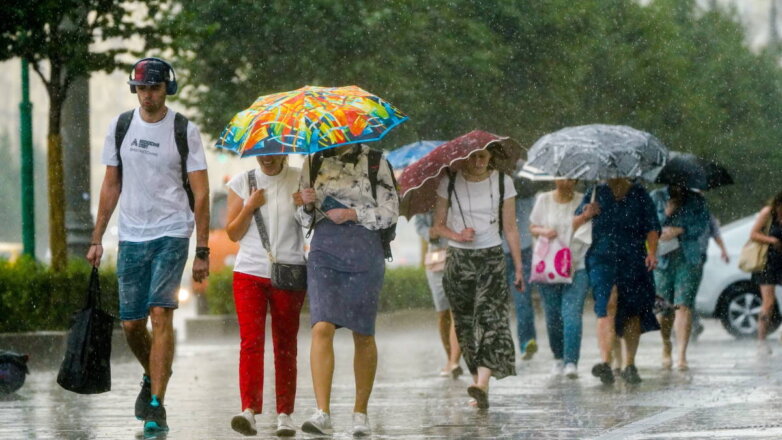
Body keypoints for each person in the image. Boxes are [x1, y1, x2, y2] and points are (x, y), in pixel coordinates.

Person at [86, 57, 210, 434]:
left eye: (154, 88)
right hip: (132, 235)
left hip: (172, 232)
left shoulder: (183, 130)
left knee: (161, 312)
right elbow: (111, 184)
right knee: (131, 323)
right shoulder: (121, 126)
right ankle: (153, 372)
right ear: (135, 89)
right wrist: (97, 237)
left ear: (166, 89)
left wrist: (202, 250)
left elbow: (202, 193)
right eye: (142, 88)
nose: (148, 95)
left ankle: (157, 403)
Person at [296, 143, 399, 436]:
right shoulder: (313, 162)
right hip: (324, 250)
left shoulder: (376, 161)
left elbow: (391, 212)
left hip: (365, 250)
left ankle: (360, 414)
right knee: (321, 326)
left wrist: (352, 214)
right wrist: (305, 205)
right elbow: (304, 220)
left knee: (363, 333)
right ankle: (322, 413)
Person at [432, 146, 523, 409]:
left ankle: (482, 382)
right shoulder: (449, 181)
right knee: (465, 323)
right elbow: (437, 226)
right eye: (473, 155)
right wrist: (457, 235)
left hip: (491, 257)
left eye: (483, 155)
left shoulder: (504, 182)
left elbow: (510, 227)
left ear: (492, 156)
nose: (478, 160)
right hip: (459, 261)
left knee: (490, 317)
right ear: (464, 157)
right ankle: (477, 383)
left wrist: (518, 267)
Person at [224, 155, 306, 436]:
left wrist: (306, 204)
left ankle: (285, 414)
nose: (266, 158)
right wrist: (249, 207)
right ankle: (248, 410)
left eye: (272, 150)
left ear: (284, 151)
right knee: (251, 342)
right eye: (261, 151)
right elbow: (232, 233)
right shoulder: (242, 182)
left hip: (290, 270)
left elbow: (312, 225)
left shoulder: (300, 177)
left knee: (286, 344)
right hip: (249, 272)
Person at [574, 179, 660, 385]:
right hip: (601, 257)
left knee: (632, 310)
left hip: (634, 258)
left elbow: (652, 227)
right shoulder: (595, 191)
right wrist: (587, 214)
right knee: (606, 305)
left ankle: (629, 364)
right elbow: (573, 223)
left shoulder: (639, 193)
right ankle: (606, 362)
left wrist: (652, 253)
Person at [529, 179, 591, 378]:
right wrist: (544, 231)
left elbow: (588, 231)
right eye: (563, 177)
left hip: (577, 264)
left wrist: (586, 217)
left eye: (572, 178)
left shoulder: (584, 201)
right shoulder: (544, 199)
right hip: (549, 266)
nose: (568, 182)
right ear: (555, 178)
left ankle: (571, 361)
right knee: (553, 315)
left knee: (571, 313)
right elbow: (533, 227)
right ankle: (558, 357)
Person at [651, 185, 710, 371]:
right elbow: (648, 223)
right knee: (664, 310)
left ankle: (682, 355)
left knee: (683, 305)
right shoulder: (657, 196)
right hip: (662, 261)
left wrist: (681, 229)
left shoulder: (697, 200)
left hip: (688, 259)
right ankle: (666, 344)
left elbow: (701, 225)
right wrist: (666, 213)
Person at [414, 211, 462, 377]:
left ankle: (455, 361)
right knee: (443, 313)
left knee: (457, 310)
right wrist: (430, 232)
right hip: (436, 258)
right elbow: (419, 225)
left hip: (458, 254)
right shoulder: (424, 199)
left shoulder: (456, 193)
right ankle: (450, 358)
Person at [504, 181, 538, 361]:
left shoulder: (495, 182)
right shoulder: (526, 181)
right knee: (522, 300)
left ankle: (524, 342)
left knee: (512, 301)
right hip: (520, 248)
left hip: (512, 249)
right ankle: (527, 341)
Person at [749, 191, 782, 354]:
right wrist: (772, 240)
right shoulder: (768, 213)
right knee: (768, 304)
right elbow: (753, 234)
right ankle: (761, 340)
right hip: (767, 262)